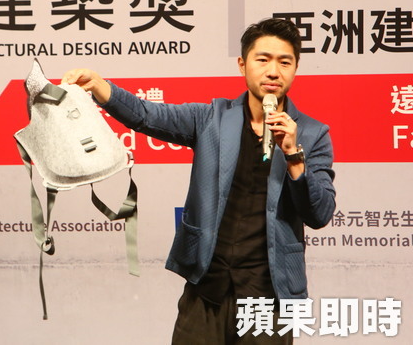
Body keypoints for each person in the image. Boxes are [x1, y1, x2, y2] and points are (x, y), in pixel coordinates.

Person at [61, 18, 336, 344]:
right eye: (263, 59)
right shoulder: (211, 119)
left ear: (296, 68)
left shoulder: (312, 134)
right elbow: (147, 115)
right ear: (242, 64)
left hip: (269, 298)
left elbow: (320, 213)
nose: (273, 71)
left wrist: (293, 155)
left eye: (284, 62)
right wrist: (99, 86)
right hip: (207, 288)